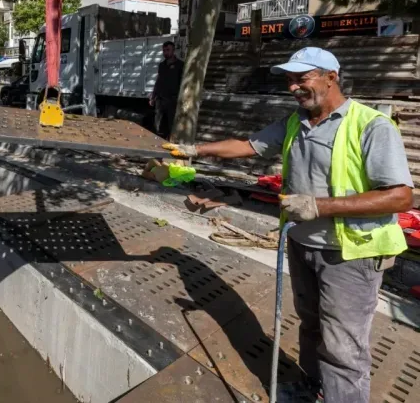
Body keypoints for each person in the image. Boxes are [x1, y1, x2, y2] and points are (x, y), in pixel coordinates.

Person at [163, 47, 412, 403]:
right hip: (301, 243)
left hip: (351, 254)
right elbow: (247, 146)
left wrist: (319, 206)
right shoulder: (295, 121)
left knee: (343, 345)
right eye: (289, 80)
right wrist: (195, 151)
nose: (293, 87)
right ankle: (315, 387)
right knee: (311, 327)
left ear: (331, 77)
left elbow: (401, 197)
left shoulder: (371, 125)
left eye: (302, 78)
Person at [149, 40, 183, 139]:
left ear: (173, 50)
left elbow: (182, 83)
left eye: (168, 50)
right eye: (164, 50)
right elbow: (158, 81)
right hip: (160, 99)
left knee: (171, 124)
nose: (165, 53)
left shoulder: (180, 65)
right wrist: (153, 96)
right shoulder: (162, 65)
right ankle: (158, 142)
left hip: (172, 100)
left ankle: (171, 143)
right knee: (158, 124)